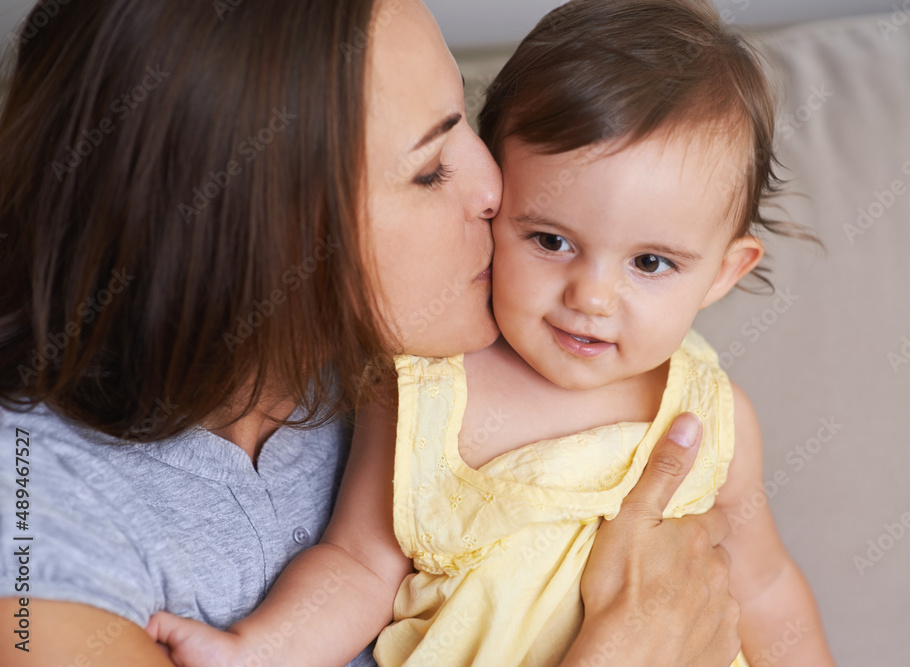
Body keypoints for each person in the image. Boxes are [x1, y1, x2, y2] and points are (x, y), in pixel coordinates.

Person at [0, 0, 741, 665]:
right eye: (429, 171)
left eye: (468, 124)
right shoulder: (39, 538)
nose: (495, 191)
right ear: (264, 235)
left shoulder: (418, 359)